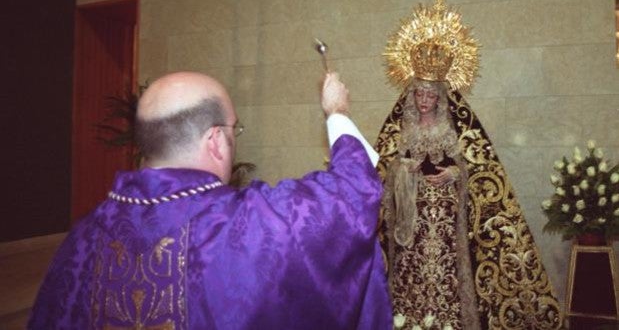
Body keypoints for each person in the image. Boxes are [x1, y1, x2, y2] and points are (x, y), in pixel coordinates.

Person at [28, 71, 393, 329]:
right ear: (216, 140)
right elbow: (352, 195)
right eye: (236, 129)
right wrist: (337, 112)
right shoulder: (254, 224)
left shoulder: (83, 239)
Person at [376, 0, 562, 329]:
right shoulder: (400, 130)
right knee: (411, 268)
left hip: (447, 218)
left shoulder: (457, 127)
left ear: (441, 97)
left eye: (431, 95)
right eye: (419, 94)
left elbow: (476, 170)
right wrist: (405, 172)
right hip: (412, 220)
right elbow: (387, 170)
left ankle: (448, 320)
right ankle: (409, 319)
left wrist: (453, 173)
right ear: (411, 95)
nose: (424, 101)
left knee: (447, 269)